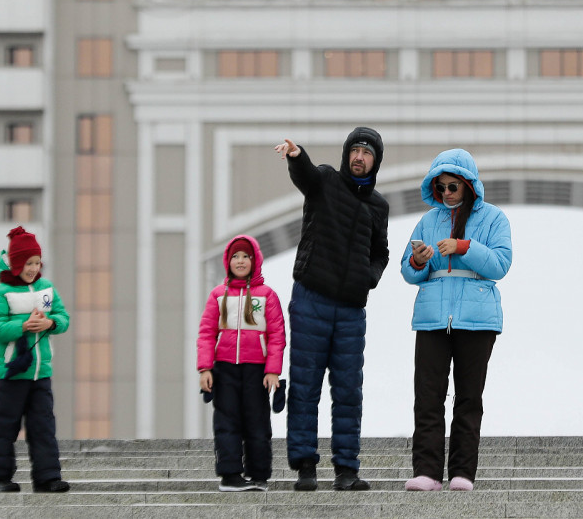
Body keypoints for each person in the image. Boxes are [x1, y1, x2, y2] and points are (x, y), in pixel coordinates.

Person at [274, 127, 389, 491]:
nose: (359, 157)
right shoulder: (324, 180)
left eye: (367, 153)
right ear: (346, 155)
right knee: (305, 386)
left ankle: (346, 470)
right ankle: (305, 467)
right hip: (312, 298)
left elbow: (380, 253)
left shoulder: (379, 206)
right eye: (354, 150)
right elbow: (305, 174)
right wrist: (297, 156)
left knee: (348, 391)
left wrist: (366, 279)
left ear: (375, 161)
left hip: (352, 310)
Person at [400, 149, 512, 492]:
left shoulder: (495, 219)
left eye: (452, 186)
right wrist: (419, 261)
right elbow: (407, 270)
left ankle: (462, 473)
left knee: (468, 397)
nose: (446, 193)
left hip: (477, 318)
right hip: (433, 317)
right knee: (428, 396)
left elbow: (500, 265)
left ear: (467, 185)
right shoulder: (427, 220)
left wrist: (463, 246)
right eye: (441, 187)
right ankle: (427, 472)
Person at [0, 227, 71, 494]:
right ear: (17, 264)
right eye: (28, 263)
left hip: (40, 372)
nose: (34, 268)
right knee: (4, 426)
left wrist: (50, 322)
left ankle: (47, 478)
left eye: (37, 262)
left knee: (43, 426)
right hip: (11, 373)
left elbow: (63, 318)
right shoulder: (2, 292)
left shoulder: (47, 288)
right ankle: (2, 479)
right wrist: (25, 325)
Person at [196, 234, 286, 492]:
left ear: (255, 260)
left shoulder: (267, 295)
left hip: (256, 370)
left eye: (246, 255)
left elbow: (277, 336)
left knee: (257, 422)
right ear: (227, 261)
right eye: (235, 256)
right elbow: (206, 333)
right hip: (224, 368)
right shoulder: (217, 295)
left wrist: (272, 371)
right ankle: (230, 475)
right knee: (226, 422)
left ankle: (258, 474)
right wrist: (205, 368)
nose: (240, 260)